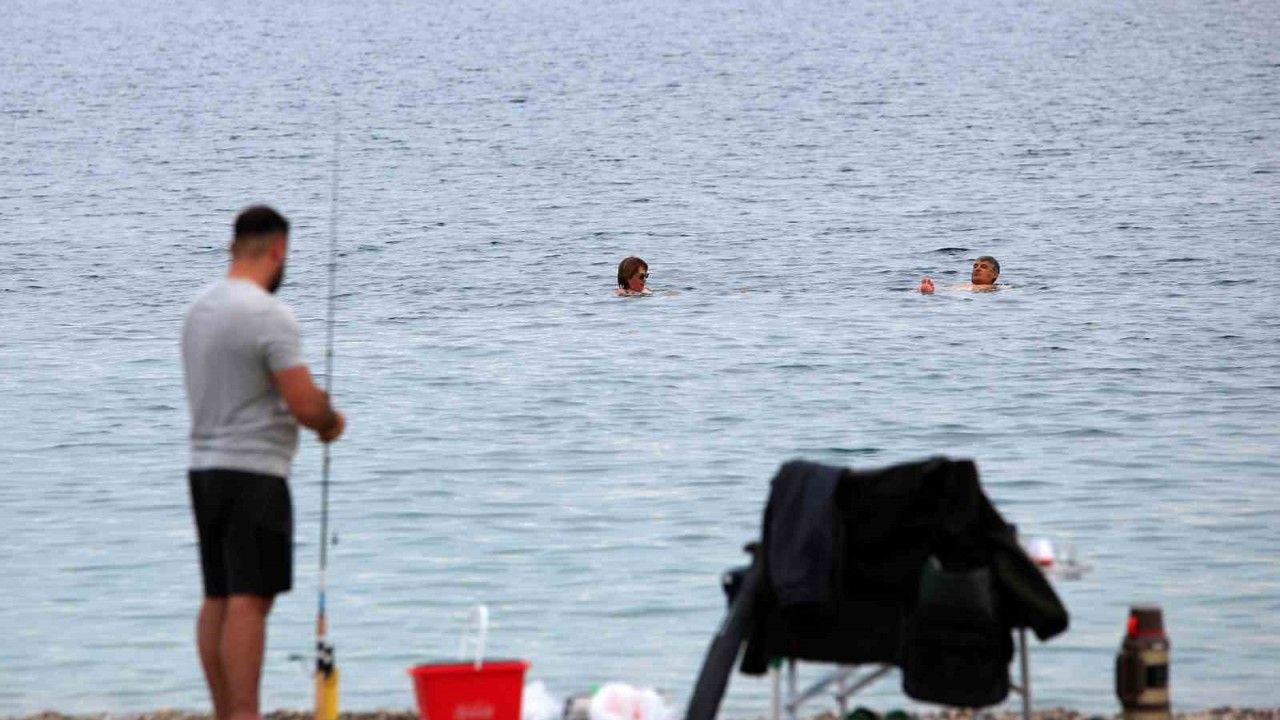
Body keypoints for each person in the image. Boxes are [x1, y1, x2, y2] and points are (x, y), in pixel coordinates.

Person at [182, 205, 346, 720]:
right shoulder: (268, 315)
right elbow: (303, 405)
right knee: (250, 600)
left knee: (218, 595)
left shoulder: (198, 310)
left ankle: (225, 711)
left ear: (233, 246)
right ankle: (245, 713)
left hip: (204, 470)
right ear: (279, 250)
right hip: (254, 473)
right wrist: (330, 420)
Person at [919, 255, 1000, 294]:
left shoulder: (998, 288)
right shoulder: (962, 285)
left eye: (984, 267)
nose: (977, 269)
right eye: (975, 266)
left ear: (995, 274)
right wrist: (926, 288)